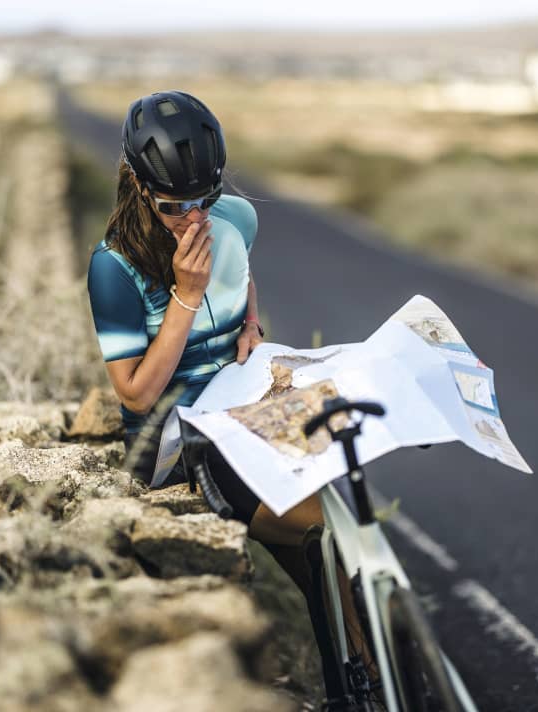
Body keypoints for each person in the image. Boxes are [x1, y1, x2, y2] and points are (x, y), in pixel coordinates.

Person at [86, 90, 377, 709]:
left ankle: (370, 679)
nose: (194, 220)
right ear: (138, 185)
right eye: (174, 207)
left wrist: (250, 323)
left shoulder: (237, 218)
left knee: (340, 517)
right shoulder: (114, 267)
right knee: (321, 531)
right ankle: (355, 682)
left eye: (205, 200)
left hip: (241, 400)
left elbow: (242, 274)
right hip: (175, 434)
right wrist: (186, 295)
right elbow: (135, 394)